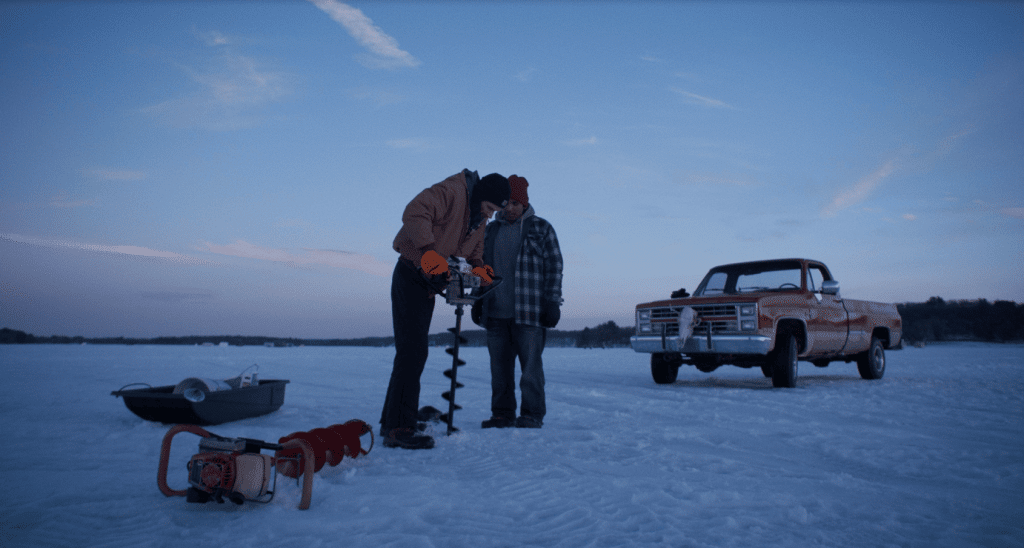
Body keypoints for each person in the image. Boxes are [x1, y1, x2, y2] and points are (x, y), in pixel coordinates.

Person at [381, 169, 510, 450]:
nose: (488, 216)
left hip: (429, 278)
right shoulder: (453, 191)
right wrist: (428, 251)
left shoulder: (478, 215)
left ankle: (393, 420)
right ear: (481, 196)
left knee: (413, 351)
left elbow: (473, 247)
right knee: (412, 351)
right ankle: (398, 428)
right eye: (488, 209)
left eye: (493, 212)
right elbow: (414, 211)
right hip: (411, 271)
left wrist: (479, 267)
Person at [472, 174, 563, 429]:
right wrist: (478, 300)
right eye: (506, 203)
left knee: (531, 371)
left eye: (515, 203)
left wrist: (552, 301)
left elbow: (555, 266)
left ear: (524, 203)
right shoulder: (490, 230)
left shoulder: (541, 228)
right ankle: (502, 413)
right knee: (499, 372)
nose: (510, 208)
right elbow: (480, 267)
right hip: (496, 314)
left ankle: (532, 414)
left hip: (530, 313)